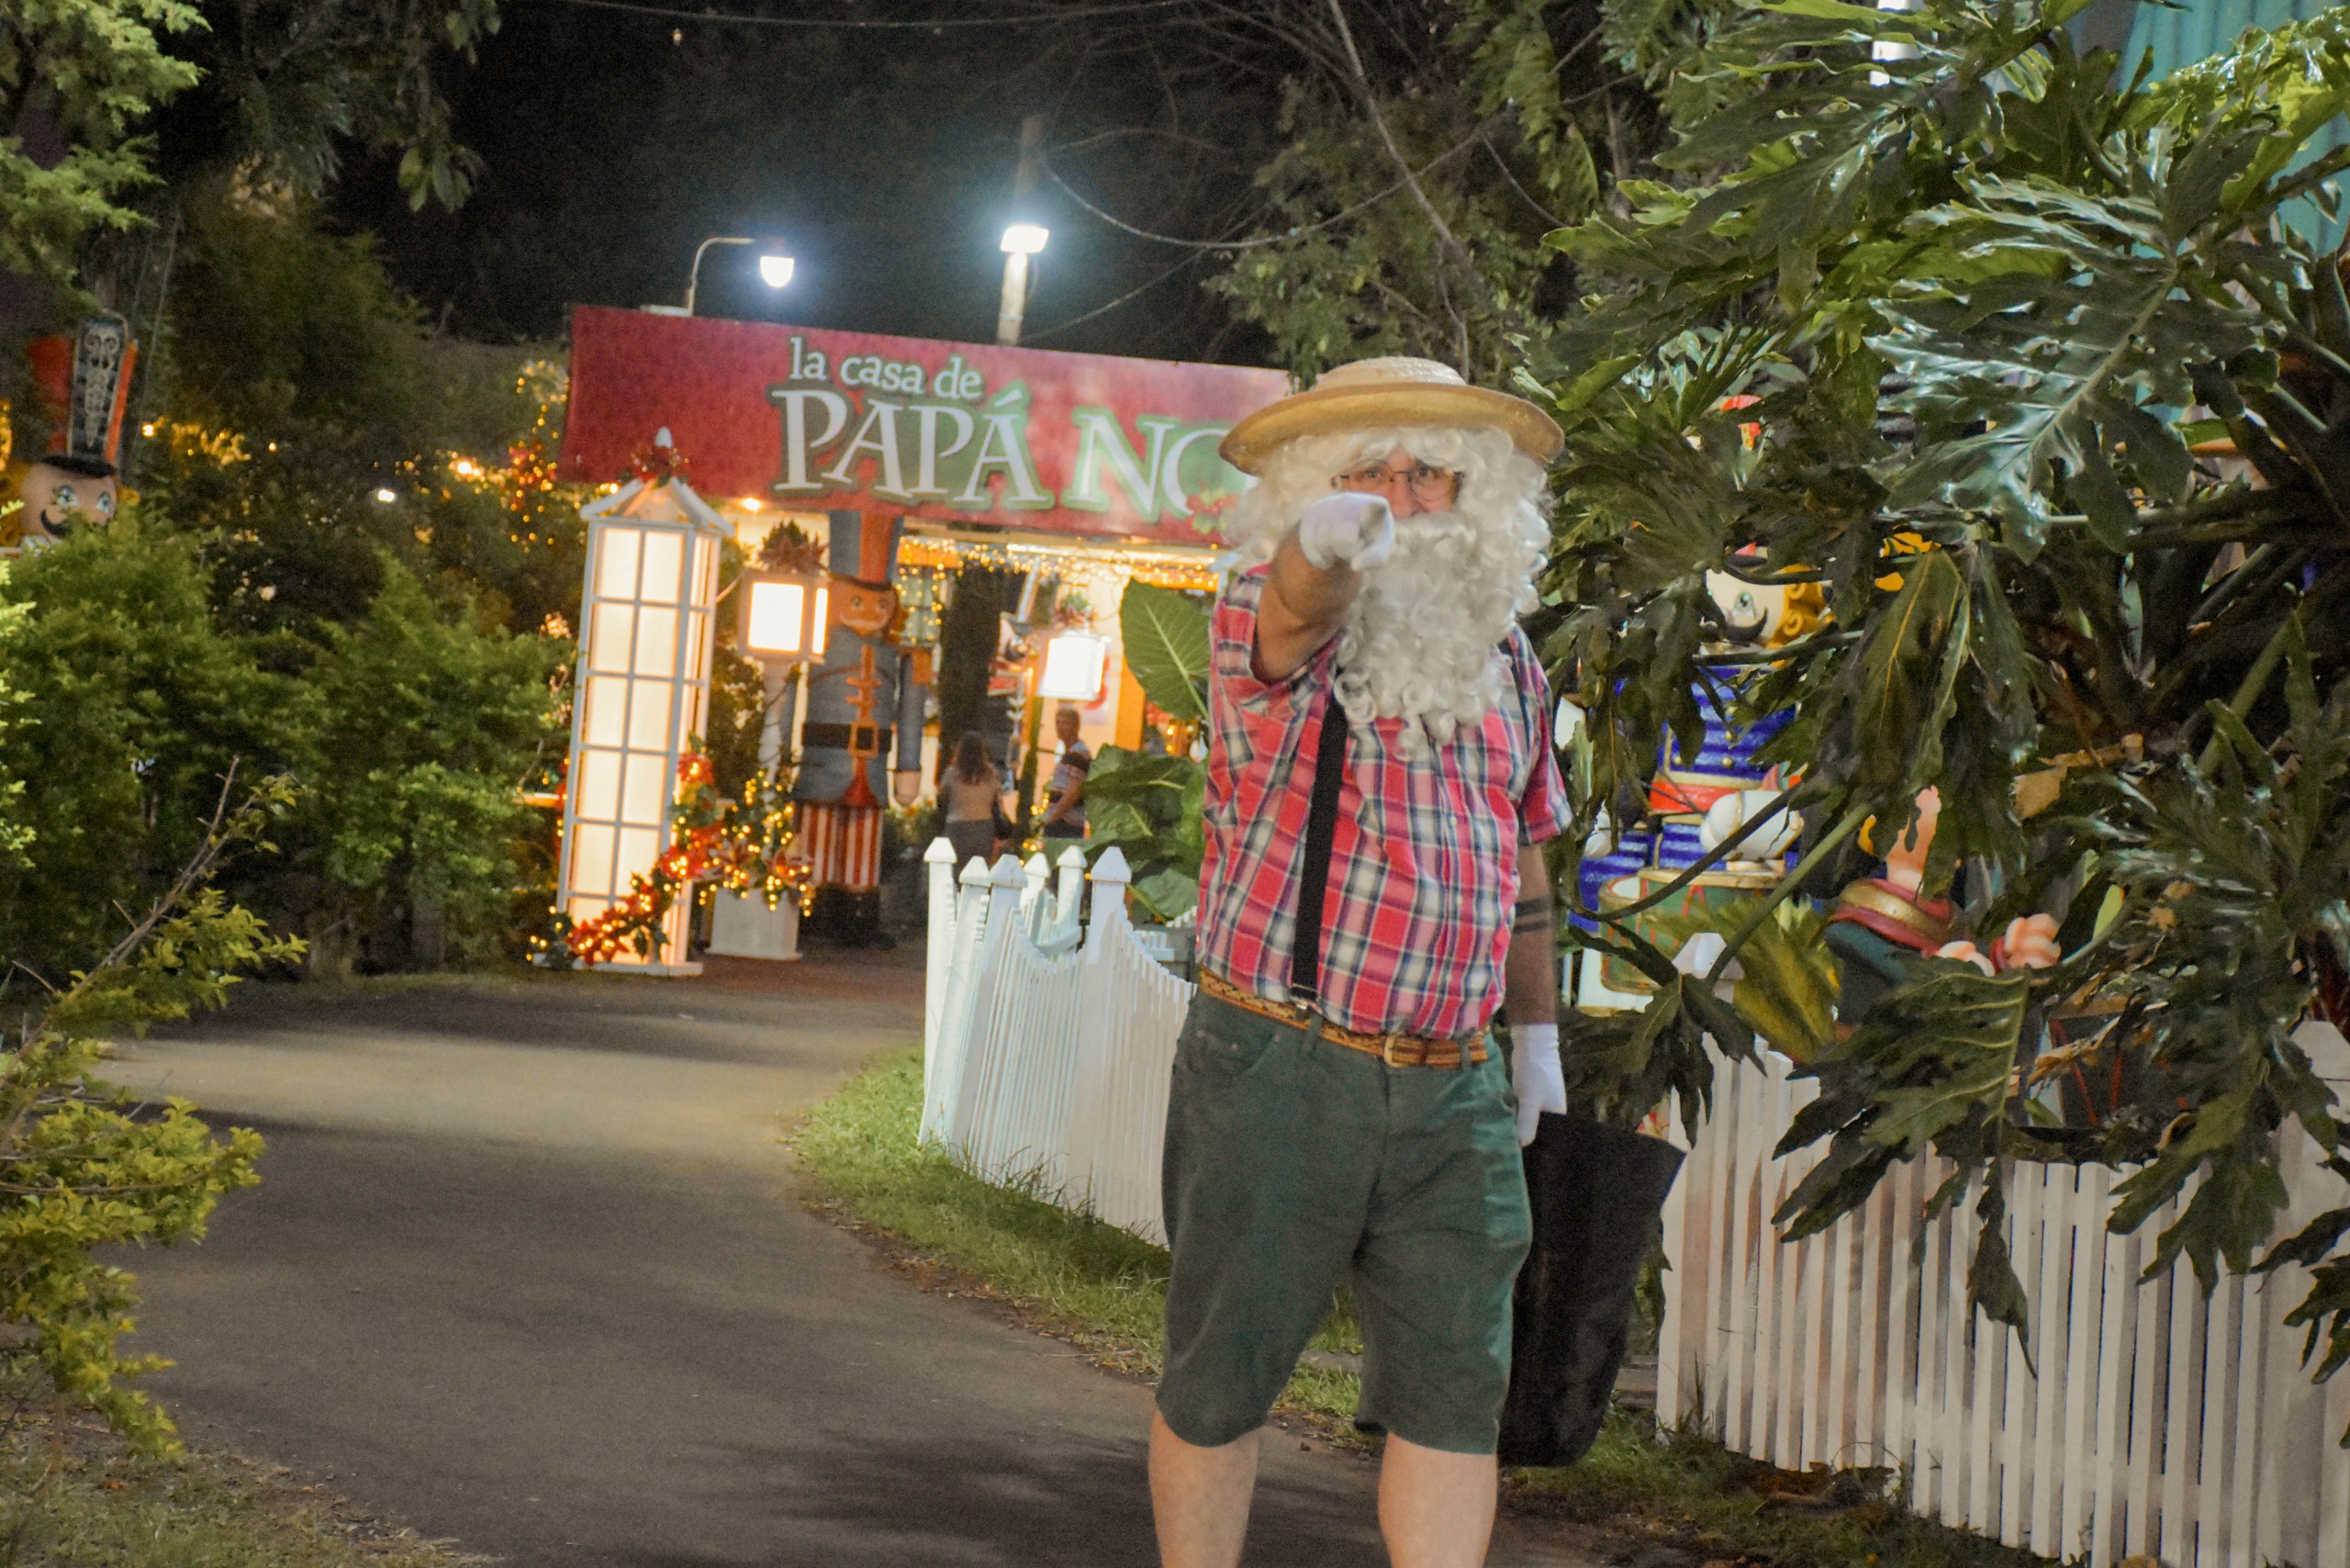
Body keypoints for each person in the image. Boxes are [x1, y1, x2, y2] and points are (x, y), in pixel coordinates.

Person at [1150, 356, 1571, 1568]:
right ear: (1308, 492)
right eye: (1368, 472)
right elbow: (1292, 607)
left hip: (1457, 1090)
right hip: (1281, 1065)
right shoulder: (1258, 618)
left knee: (1457, 1395)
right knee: (1224, 1375)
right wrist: (1331, 544)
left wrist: (1534, 1044)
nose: (1405, 496)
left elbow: (1526, 858)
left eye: (1429, 474)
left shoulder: (1510, 663)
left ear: (1474, 497)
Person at [940, 734, 1008, 875]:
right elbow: (997, 801)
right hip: (984, 827)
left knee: (955, 872)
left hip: (956, 826)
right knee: (979, 872)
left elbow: (943, 800)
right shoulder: (991, 774)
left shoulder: (951, 774)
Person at [1039, 704, 1090, 841]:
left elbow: (1073, 792)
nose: (1060, 727)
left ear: (1076, 726)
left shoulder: (1077, 755)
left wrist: (1052, 818)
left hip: (1065, 824)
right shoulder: (1069, 754)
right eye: (1058, 722)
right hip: (1062, 822)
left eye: (1065, 723)